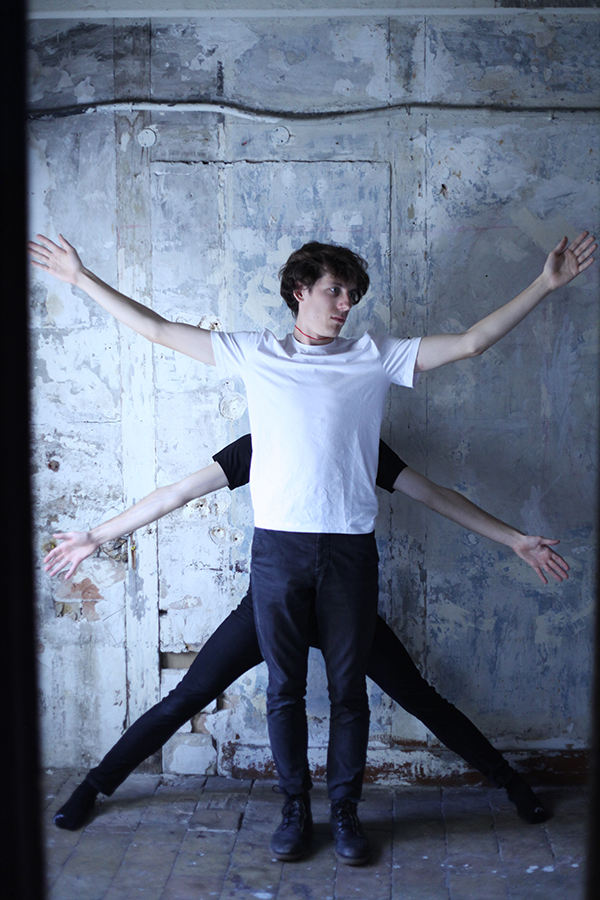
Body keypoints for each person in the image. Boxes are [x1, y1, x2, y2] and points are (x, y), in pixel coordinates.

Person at [29, 230, 595, 863]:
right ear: (300, 291)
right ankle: (122, 791)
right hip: (278, 572)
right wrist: (81, 279)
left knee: (402, 696)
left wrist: (544, 285)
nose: (346, 304)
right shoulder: (256, 375)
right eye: (335, 291)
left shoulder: (372, 366)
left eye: (353, 294)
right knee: (210, 694)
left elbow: (467, 355)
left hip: (347, 568)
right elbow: (161, 356)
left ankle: (395, 806)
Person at [46, 434, 567, 843]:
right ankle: (94, 786)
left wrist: (514, 539)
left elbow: (433, 494)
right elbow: (176, 493)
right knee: (189, 695)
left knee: (418, 696)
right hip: (271, 607)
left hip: (343, 607)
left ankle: (512, 785)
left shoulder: (357, 441)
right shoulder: (262, 441)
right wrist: (96, 535)